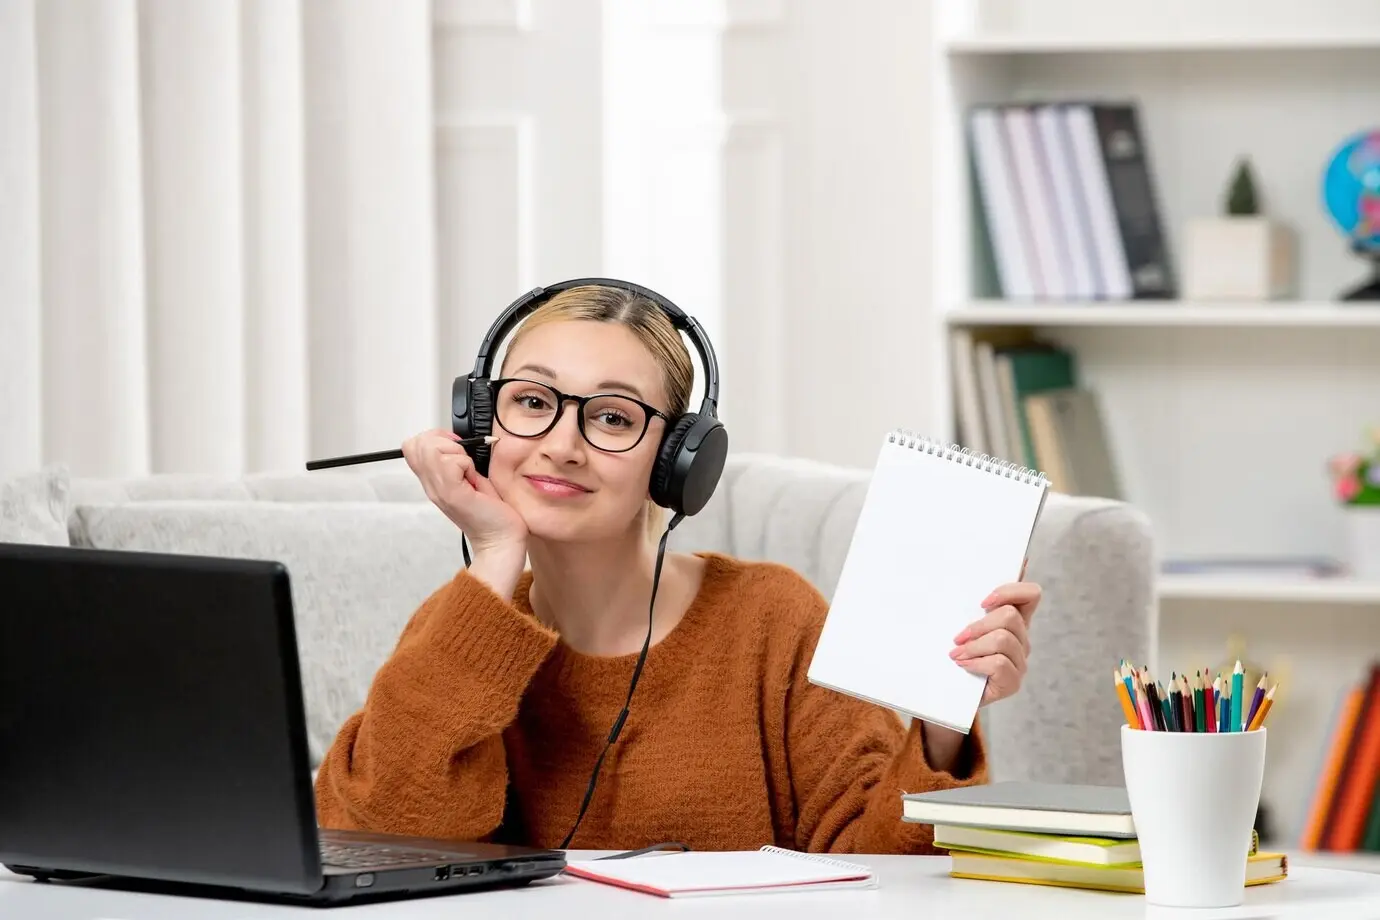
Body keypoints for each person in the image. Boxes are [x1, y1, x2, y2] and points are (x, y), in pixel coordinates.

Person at [313, 282, 1042, 855]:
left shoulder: (773, 620)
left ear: (677, 463)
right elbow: (374, 838)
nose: (563, 444)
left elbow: (886, 874)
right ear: (481, 427)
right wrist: (497, 557)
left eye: (612, 418)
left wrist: (945, 723)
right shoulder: (464, 634)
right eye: (532, 402)